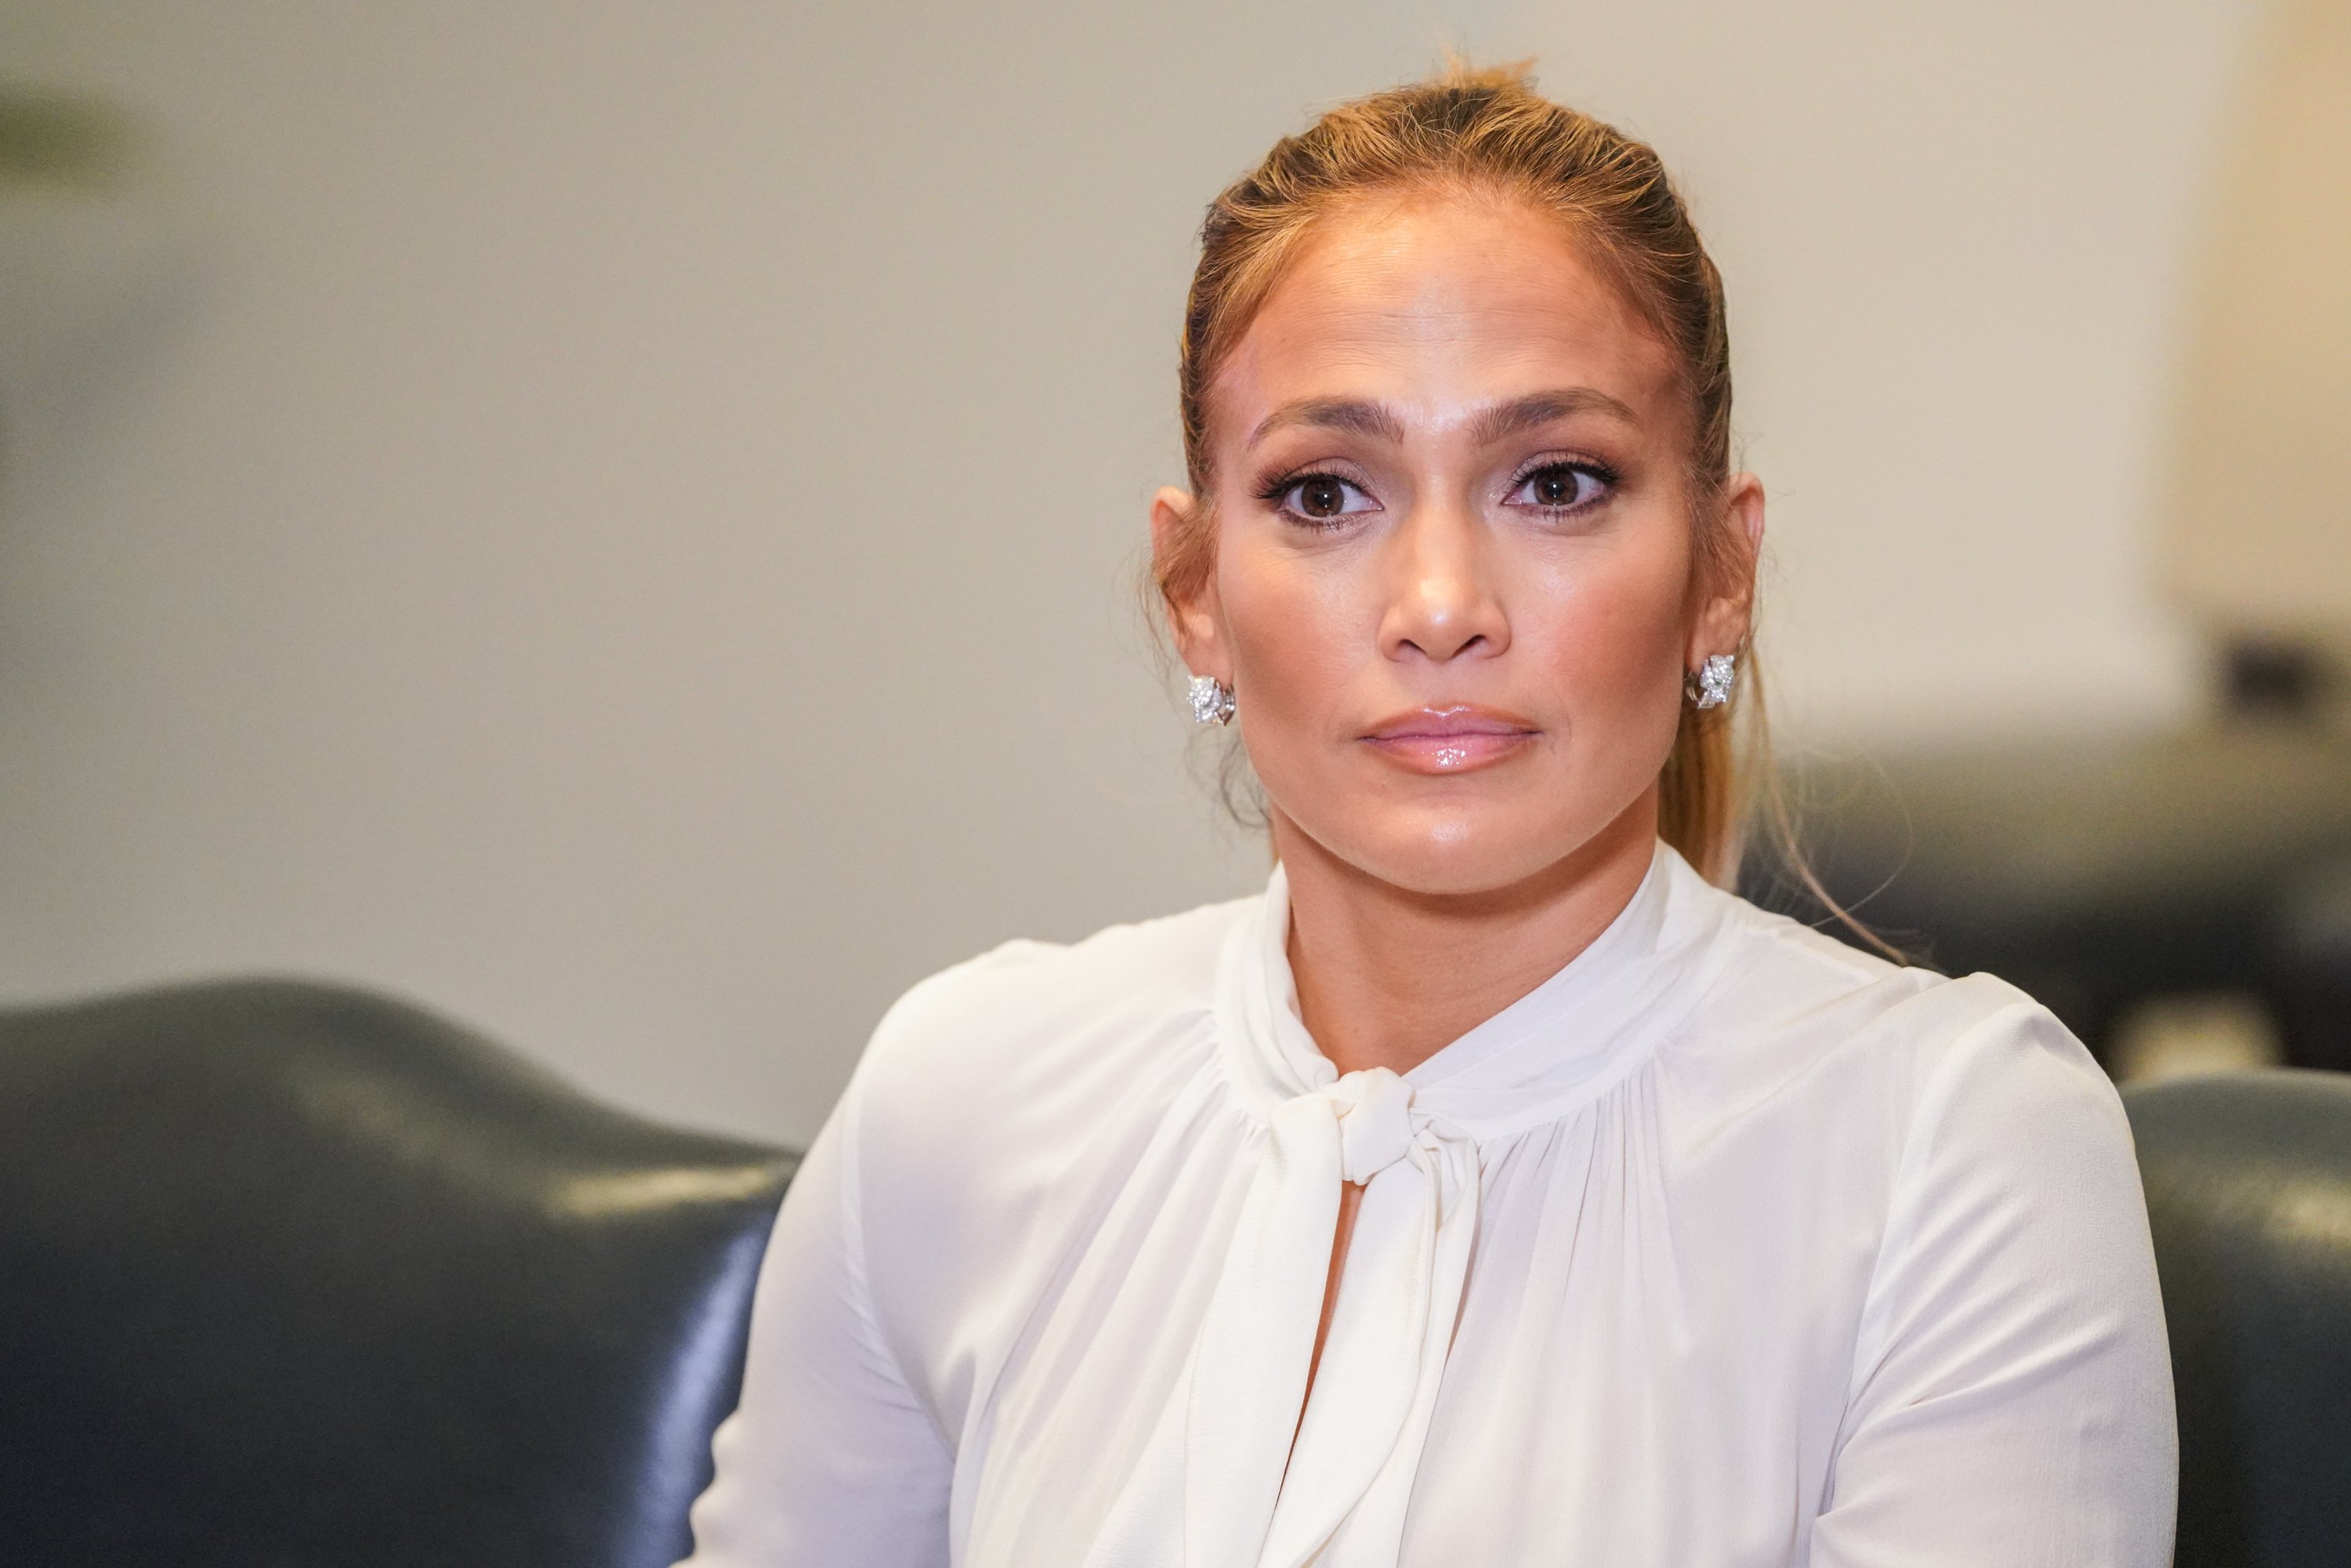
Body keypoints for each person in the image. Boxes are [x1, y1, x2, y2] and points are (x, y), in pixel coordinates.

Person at [676, 64, 2175, 1568]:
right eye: (1328, 494)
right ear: (1196, 594)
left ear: (1722, 572)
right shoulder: (958, 1102)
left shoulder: (1955, 1155)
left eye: (1558, 480)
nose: (1442, 606)